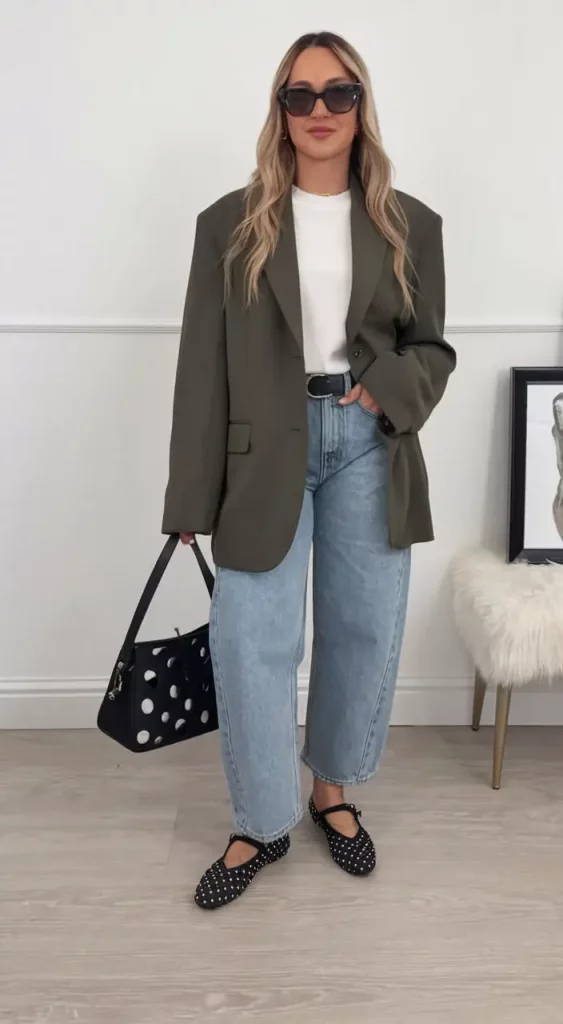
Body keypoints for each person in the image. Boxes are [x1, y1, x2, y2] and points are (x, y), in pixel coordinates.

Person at [162, 30, 456, 910]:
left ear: (360, 107)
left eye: (337, 93)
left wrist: (381, 390)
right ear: (280, 111)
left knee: (362, 627)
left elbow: (431, 349)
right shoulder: (229, 223)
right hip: (262, 448)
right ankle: (260, 820)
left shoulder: (410, 223)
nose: (319, 110)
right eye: (300, 94)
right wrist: (189, 494)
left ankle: (331, 790)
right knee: (250, 637)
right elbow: (200, 367)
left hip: (368, 439)